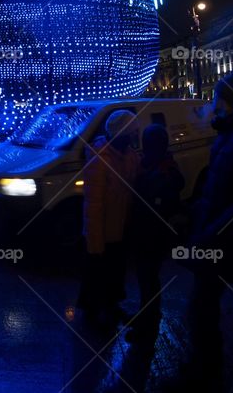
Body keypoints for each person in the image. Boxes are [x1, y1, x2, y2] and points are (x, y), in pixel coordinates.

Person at [170, 70, 233, 391]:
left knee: (201, 309)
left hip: (223, 245)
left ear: (223, 101)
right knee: (202, 308)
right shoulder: (229, 135)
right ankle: (205, 367)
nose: (210, 103)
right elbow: (217, 190)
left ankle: (206, 373)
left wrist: (212, 233)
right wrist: (192, 213)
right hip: (213, 237)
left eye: (214, 97)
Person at [78, 109, 139, 330]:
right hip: (102, 232)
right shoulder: (100, 160)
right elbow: (93, 206)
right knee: (97, 273)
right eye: (132, 132)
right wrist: (95, 243)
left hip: (119, 228)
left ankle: (111, 306)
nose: (135, 137)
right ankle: (93, 314)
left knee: (115, 272)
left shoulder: (129, 155)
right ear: (121, 133)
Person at [125, 123, 184, 344]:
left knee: (148, 279)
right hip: (145, 233)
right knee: (146, 279)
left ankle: (148, 324)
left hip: (152, 235)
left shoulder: (163, 170)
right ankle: (147, 315)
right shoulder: (151, 164)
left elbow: (163, 200)